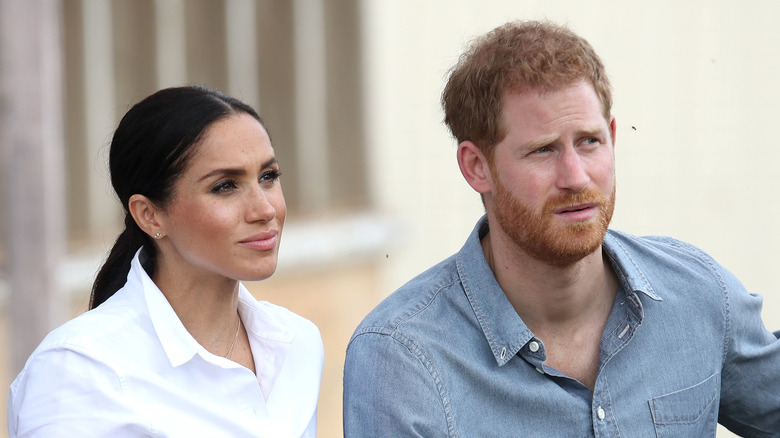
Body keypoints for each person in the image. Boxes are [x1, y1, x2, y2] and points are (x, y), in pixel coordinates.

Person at [343, 20, 780, 437]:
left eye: (589, 141)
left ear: (612, 135)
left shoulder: (698, 295)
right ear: (477, 167)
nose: (576, 176)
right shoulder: (402, 359)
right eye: (543, 150)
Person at [8, 86, 323, 437]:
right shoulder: (81, 370)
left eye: (268, 177)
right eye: (225, 186)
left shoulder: (297, 344)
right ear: (150, 215)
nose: (265, 209)